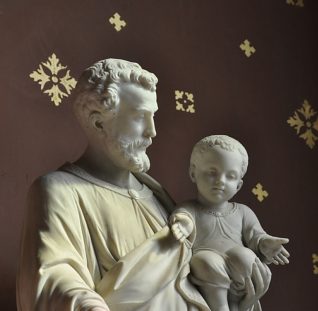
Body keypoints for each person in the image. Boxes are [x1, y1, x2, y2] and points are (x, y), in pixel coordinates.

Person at [17, 59, 271, 311]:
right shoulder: (60, 190)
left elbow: (198, 283)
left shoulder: (157, 196)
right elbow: (54, 279)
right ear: (98, 122)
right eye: (140, 117)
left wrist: (240, 291)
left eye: (153, 117)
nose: (152, 132)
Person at [170, 135, 290, 311]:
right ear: (193, 172)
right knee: (205, 260)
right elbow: (182, 217)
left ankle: (236, 305)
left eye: (231, 176)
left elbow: (256, 236)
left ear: (239, 185)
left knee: (245, 256)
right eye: (212, 173)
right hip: (207, 277)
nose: (221, 181)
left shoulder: (243, 212)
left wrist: (266, 244)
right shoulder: (190, 209)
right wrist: (183, 225)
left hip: (239, 282)